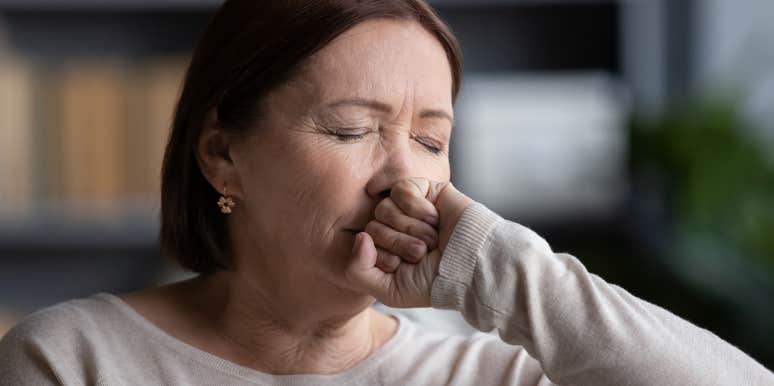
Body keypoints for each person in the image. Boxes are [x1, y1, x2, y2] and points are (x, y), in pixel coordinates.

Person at [1, 1, 773, 385]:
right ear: (221, 157)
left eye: (433, 141)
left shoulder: (488, 373)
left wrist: (503, 269)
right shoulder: (76, 359)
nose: (407, 177)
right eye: (348, 131)